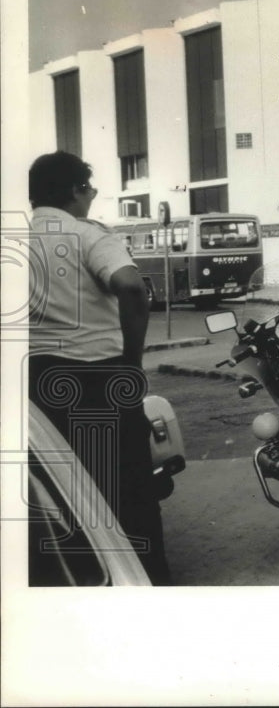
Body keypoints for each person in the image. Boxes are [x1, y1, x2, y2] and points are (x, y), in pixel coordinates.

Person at [27, 151, 171, 584]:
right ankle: (149, 585)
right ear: (74, 190)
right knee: (131, 491)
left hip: (39, 386)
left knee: (67, 494)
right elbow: (130, 287)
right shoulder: (86, 234)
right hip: (100, 378)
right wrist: (131, 363)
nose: (90, 198)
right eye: (88, 189)